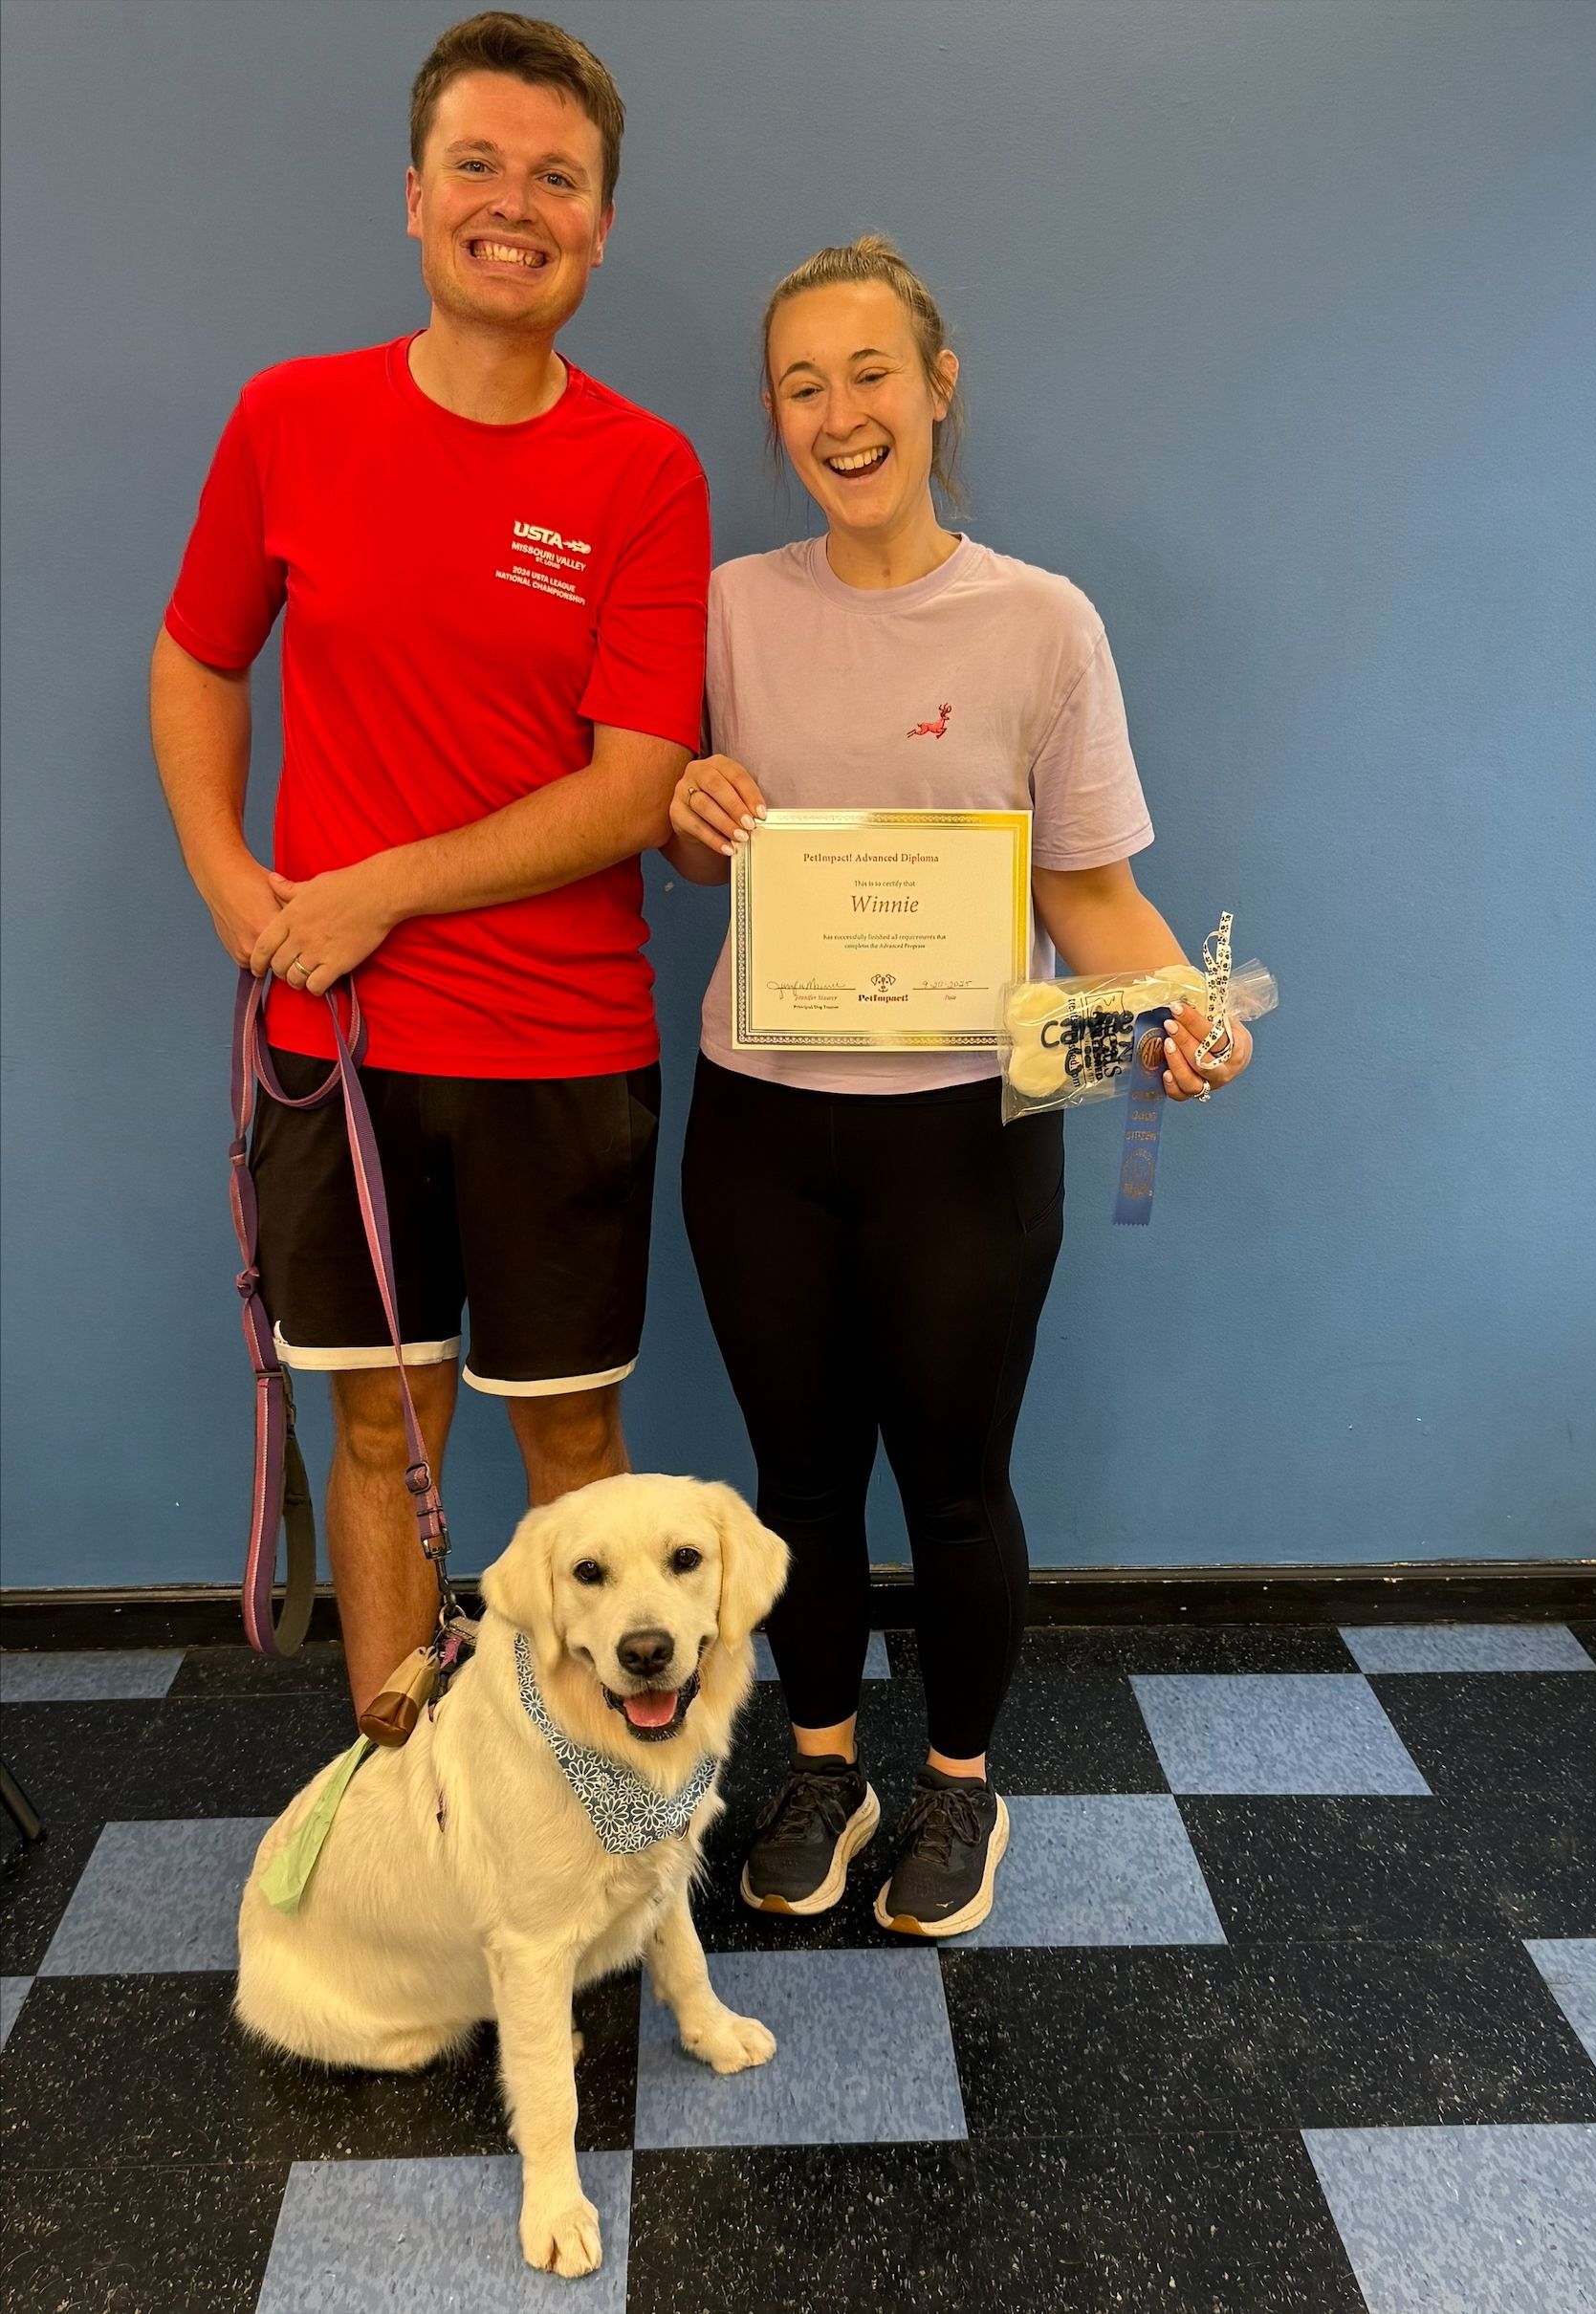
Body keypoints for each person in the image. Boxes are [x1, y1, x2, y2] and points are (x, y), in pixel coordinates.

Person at [667, 236, 1255, 1937]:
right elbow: (662, 818)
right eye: (801, 386)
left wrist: (1183, 1011)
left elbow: (1091, 894)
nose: (840, 416)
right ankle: (831, 1765)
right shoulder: (723, 608)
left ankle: (958, 1791)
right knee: (797, 1476)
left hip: (963, 1133)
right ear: (774, 415)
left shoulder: (1040, 621)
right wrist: (685, 810)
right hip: (760, 1121)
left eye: (871, 376)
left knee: (956, 1478)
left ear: (938, 390)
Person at [151, 13, 708, 1722]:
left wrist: (375, 885)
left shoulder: (643, 471)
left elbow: (633, 792)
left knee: (574, 1443)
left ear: (603, 225)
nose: (514, 204)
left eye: (559, 178)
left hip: (562, 1049)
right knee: (382, 1431)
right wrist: (229, 883)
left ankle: (585, 1814)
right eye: (478, 164)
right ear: (414, 196)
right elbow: (197, 658)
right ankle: (404, 1820)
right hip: (340, 1056)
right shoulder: (290, 420)